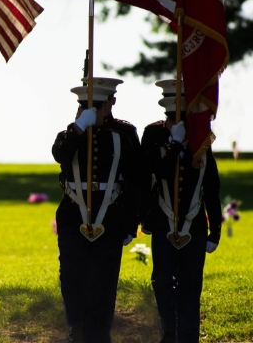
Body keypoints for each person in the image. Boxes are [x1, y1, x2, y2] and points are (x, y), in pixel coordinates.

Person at [52, 83, 141, 343]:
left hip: (110, 217)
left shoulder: (123, 135)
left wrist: (130, 223)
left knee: (104, 281)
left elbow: (135, 182)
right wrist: (80, 127)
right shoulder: (68, 135)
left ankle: (100, 334)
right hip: (73, 217)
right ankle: (76, 327)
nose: (90, 111)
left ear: (108, 106)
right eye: (83, 106)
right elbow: (60, 155)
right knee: (71, 276)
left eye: (96, 107)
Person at [140, 79, 222, 343]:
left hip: (194, 224)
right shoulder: (154, 136)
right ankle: (169, 333)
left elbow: (211, 187)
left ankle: (188, 338)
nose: (174, 122)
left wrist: (216, 230)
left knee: (190, 287)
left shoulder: (200, 139)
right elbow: (157, 172)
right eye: (170, 117)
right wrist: (174, 144)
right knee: (162, 282)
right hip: (163, 223)